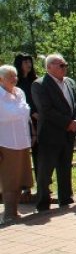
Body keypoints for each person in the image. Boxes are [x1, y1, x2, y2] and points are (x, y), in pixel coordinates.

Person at [31, 54, 76, 211]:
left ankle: (66, 199)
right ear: (49, 67)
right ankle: (43, 203)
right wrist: (67, 123)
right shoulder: (39, 85)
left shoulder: (70, 83)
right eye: (61, 65)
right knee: (46, 171)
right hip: (50, 134)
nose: (65, 67)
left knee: (65, 168)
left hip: (68, 134)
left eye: (65, 65)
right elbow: (46, 110)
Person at [0, 65, 35, 224]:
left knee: (21, 177)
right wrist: (19, 110)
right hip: (6, 143)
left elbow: (25, 111)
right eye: (10, 76)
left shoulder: (19, 92)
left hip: (22, 141)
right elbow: (9, 114)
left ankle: (14, 212)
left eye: (15, 76)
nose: (15, 79)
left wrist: (19, 111)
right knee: (9, 179)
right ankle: (8, 213)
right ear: (1, 79)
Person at [13, 54, 38, 182]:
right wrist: (32, 112)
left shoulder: (35, 80)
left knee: (39, 152)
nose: (28, 64)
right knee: (23, 153)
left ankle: (42, 182)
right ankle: (24, 185)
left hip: (38, 121)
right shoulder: (15, 84)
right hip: (23, 121)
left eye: (29, 61)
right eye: (25, 62)